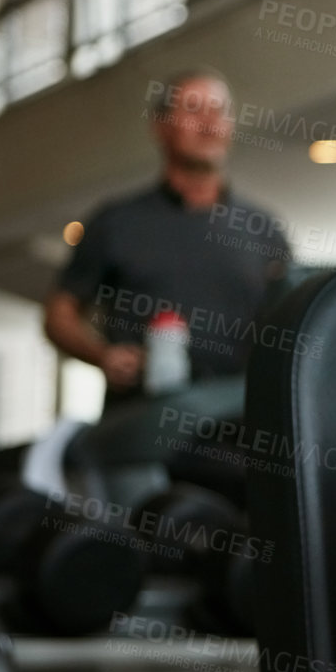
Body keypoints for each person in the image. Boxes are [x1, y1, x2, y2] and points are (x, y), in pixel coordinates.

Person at [44, 67, 293, 415]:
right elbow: (59, 315)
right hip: (140, 423)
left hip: (239, 427)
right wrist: (103, 356)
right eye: (193, 109)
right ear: (160, 126)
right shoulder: (116, 222)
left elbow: (290, 325)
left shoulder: (263, 228)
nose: (209, 123)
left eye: (219, 111)